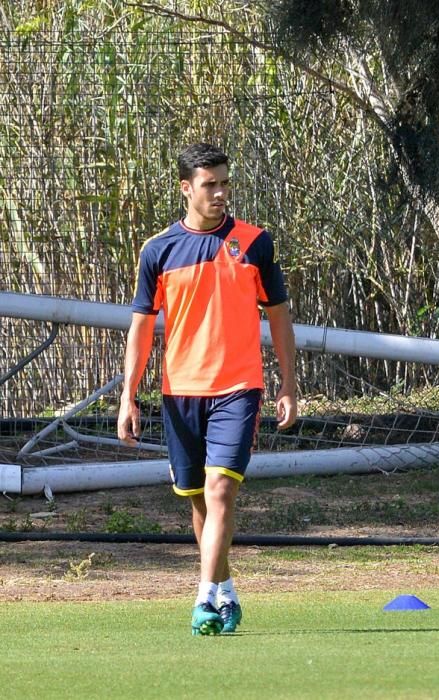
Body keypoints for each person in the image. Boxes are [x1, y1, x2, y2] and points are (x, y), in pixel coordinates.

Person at [117, 143, 297, 636]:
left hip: (239, 387)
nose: (220, 192)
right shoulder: (158, 250)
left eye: (225, 183)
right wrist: (128, 396)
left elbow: (279, 317)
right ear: (186, 189)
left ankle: (200, 601)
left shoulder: (255, 242)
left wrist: (288, 384)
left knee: (220, 492)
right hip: (180, 393)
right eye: (209, 184)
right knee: (199, 500)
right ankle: (225, 590)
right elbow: (140, 327)